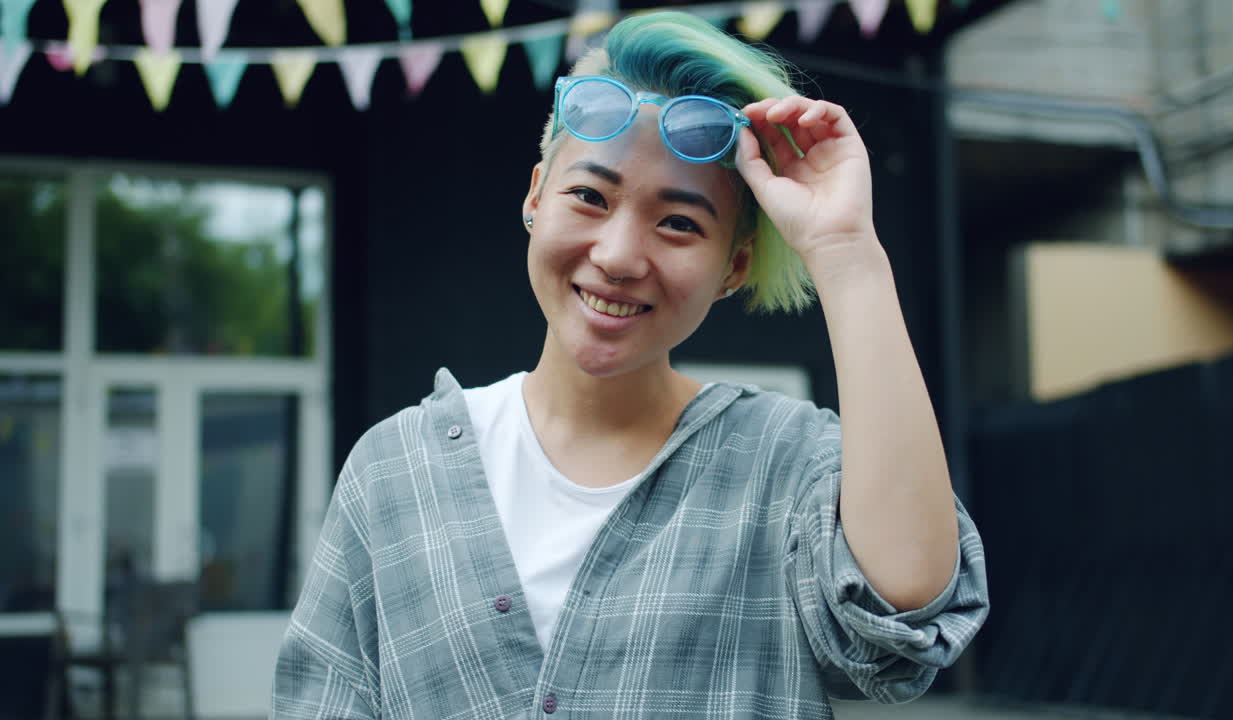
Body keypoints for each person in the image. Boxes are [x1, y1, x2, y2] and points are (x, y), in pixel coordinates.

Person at [272, 11, 988, 719]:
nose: (617, 256)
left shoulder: (786, 466)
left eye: (679, 223)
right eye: (589, 196)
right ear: (534, 197)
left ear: (734, 266)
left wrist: (844, 250)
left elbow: (906, 604)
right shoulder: (396, 471)